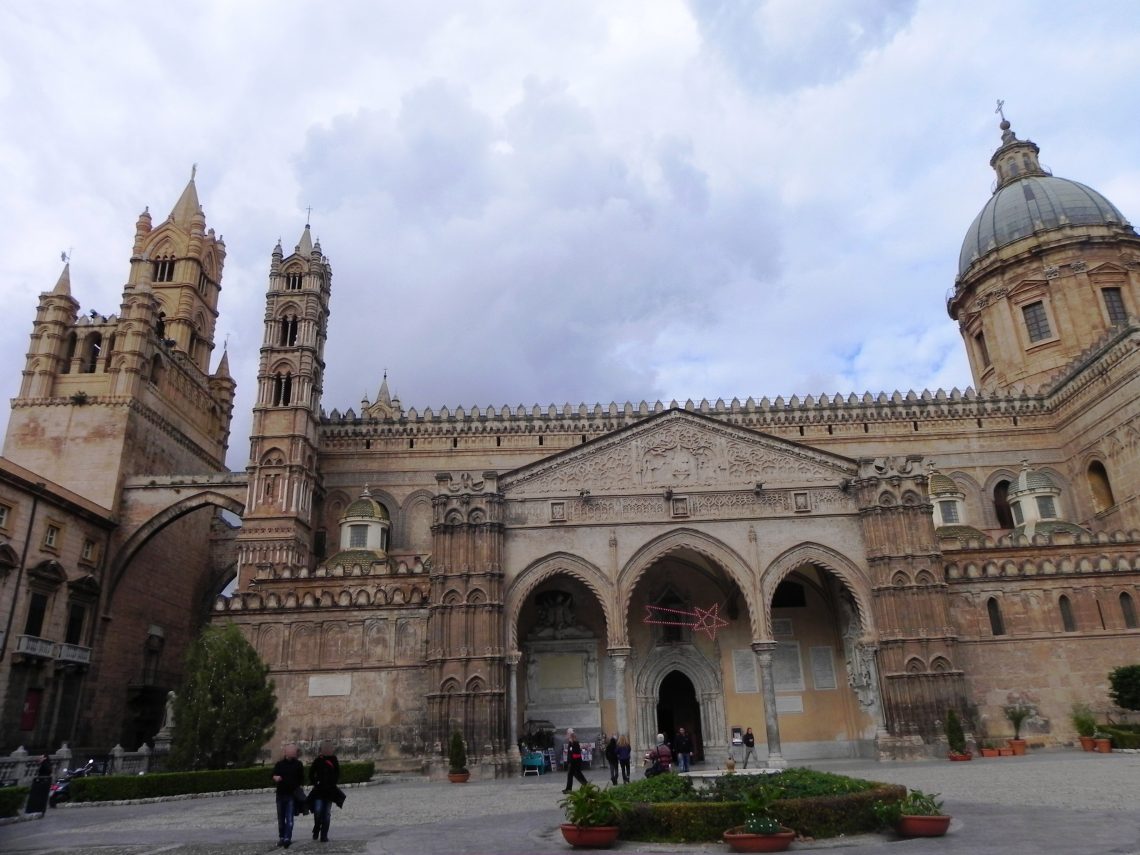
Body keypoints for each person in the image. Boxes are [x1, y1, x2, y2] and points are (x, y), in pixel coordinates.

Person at [271, 743, 305, 848]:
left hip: (291, 796)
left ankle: (287, 838)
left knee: (289, 818)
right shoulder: (279, 764)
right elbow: (273, 774)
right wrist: (275, 778)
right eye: (290, 750)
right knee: (281, 819)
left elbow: (301, 779)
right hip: (280, 795)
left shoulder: (298, 764)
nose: (292, 752)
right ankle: (282, 837)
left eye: (294, 750)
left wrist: (295, 786)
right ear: (285, 752)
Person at [309, 740, 341, 843]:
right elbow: (311, 773)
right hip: (319, 791)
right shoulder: (318, 760)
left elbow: (337, 773)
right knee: (317, 811)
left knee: (326, 814)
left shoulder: (334, 760)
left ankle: (324, 835)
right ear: (322, 750)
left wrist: (332, 783)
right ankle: (317, 828)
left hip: (329, 791)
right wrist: (315, 783)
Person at [561, 728, 588, 793]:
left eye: (567, 733)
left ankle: (585, 785)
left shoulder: (574, 742)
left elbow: (575, 752)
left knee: (574, 774)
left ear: (570, 734)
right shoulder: (571, 742)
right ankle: (585, 785)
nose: (567, 734)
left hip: (574, 762)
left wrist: (571, 751)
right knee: (575, 774)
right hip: (573, 761)